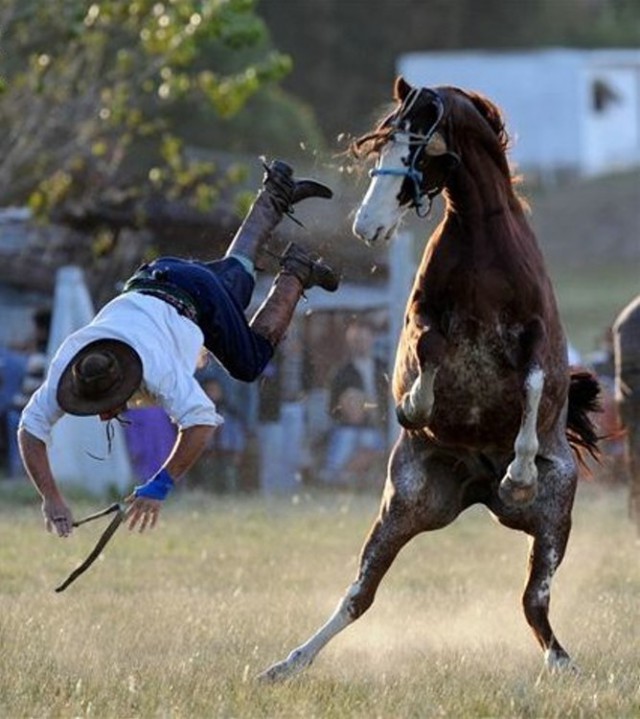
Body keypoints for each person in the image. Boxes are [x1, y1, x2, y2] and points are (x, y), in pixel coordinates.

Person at [18, 159, 339, 536]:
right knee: (237, 278)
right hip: (160, 275)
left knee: (249, 363)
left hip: (192, 299)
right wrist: (51, 497)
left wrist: (160, 485)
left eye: (105, 405)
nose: (105, 416)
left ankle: (296, 271)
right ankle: (274, 195)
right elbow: (30, 430)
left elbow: (202, 423)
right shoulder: (67, 367)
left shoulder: (156, 369)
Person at [321, 317, 388, 489]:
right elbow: (331, 408)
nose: (361, 344)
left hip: (377, 427)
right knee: (337, 462)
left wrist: (370, 409)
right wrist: (348, 409)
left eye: (364, 339)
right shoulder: (341, 373)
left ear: (372, 339)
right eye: (356, 340)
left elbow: (387, 401)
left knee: (371, 444)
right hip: (348, 427)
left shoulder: (384, 368)